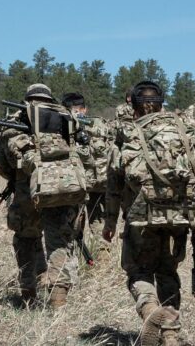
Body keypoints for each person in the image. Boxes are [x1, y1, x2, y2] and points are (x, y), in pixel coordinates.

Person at [104, 81, 195, 346]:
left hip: (141, 216)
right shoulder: (183, 131)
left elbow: (114, 181)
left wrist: (109, 220)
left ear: (133, 106)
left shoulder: (128, 133)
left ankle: (151, 312)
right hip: (180, 214)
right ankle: (171, 333)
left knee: (138, 272)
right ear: (163, 102)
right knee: (168, 272)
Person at [0, 83, 86, 309]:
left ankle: (29, 294)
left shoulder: (18, 117)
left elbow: (2, 162)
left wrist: (18, 178)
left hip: (28, 189)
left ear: (27, 98)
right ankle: (58, 300)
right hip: (64, 188)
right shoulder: (66, 116)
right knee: (59, 242)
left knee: (26, 238)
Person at [62, 92, 114, 262]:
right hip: (101, 182)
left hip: (79, 183)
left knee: (73, 223)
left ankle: (72, 261)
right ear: (85, 109)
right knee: (99, 223)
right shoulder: (101, 124)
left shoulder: (64, 125)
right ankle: (103, 261)